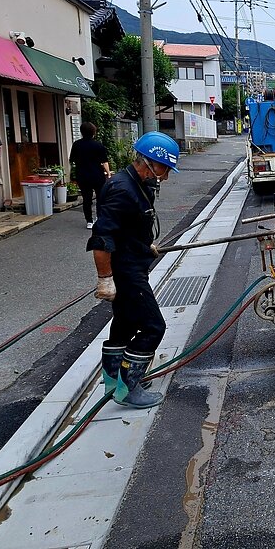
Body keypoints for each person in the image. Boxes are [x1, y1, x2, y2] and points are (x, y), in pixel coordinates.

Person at [87, 131, 180, 409]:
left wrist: (144, 244)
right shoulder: (122, 189)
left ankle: (115, 380)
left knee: (125, 324)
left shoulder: (137, 184)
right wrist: (105, 279)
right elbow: (102, 238)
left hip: (133, 261)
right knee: (153, 327)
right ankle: (129, 387)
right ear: (149, 162)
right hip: (126, 272)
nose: (165, 176)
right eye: (164, 169)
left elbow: (128, 227)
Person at [69, 122, 112, 229]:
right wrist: (109, 173)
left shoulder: (76, 144)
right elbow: (104, 161)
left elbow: (71, 160)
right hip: (97, 175)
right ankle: (99, 217)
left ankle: (89, 221)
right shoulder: (98, 145)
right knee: (100, 197)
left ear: (81, 132)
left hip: (82, 175)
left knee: (86, 198)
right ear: (94, 132)